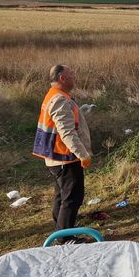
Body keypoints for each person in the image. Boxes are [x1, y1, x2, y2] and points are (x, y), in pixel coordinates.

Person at [32, 65, 92, 239]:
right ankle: (65, 238)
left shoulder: (55, 95)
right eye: (71, 73)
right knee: (73, 197)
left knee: (61, 195)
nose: (75, 76)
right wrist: (82, 154)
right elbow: (66, 132)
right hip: (65, 156)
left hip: (56, 157)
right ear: (62, 78)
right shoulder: (59, 99)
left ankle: (61, 229)